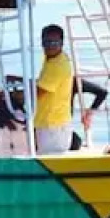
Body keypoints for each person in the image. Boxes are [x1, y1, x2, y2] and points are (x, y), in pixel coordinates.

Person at [32, 23, 75, 154]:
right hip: (47, 123)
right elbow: (42, 83)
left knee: (47, 160)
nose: (50, 46)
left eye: (54, 42)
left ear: (62, 43)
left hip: (53, 127)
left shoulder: (58, 65)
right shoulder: (52, 59)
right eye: (46, 42)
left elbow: (37, 93)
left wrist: (11, 95)